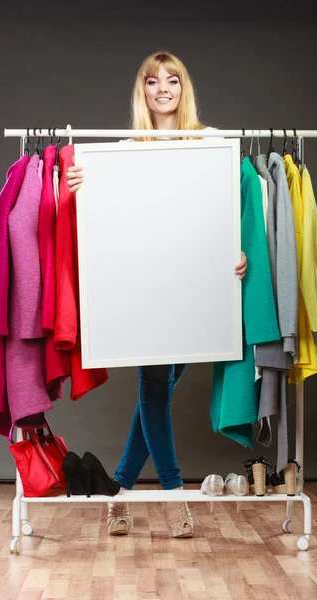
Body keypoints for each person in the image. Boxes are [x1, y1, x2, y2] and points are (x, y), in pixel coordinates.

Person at [66, 50, 247, 538]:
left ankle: (119, 493)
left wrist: (242, 251)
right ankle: (173, 496)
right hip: (147, 283)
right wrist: (80, 184)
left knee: (157, 393)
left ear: (184, 88)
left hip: (197, 282)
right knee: (153, 389)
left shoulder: (210, 142)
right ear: (142, 91)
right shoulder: (124, 146)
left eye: (173, 79)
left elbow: (235, 207)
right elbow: (109, 212)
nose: (163, 88)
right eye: (152, 80)